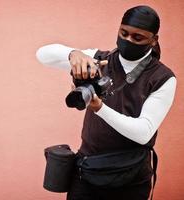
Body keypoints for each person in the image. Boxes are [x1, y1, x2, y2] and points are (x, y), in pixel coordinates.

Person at [36, 5, 176, 200]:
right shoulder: (99, 59)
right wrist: (74, 54)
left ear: (154, 40)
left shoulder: (163, 78)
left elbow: (143, 133)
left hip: (131, 179)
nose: (128, 40)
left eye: (138, 38)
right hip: (87, 173)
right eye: (123, 33)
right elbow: (42, 54)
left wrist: (100, 108)